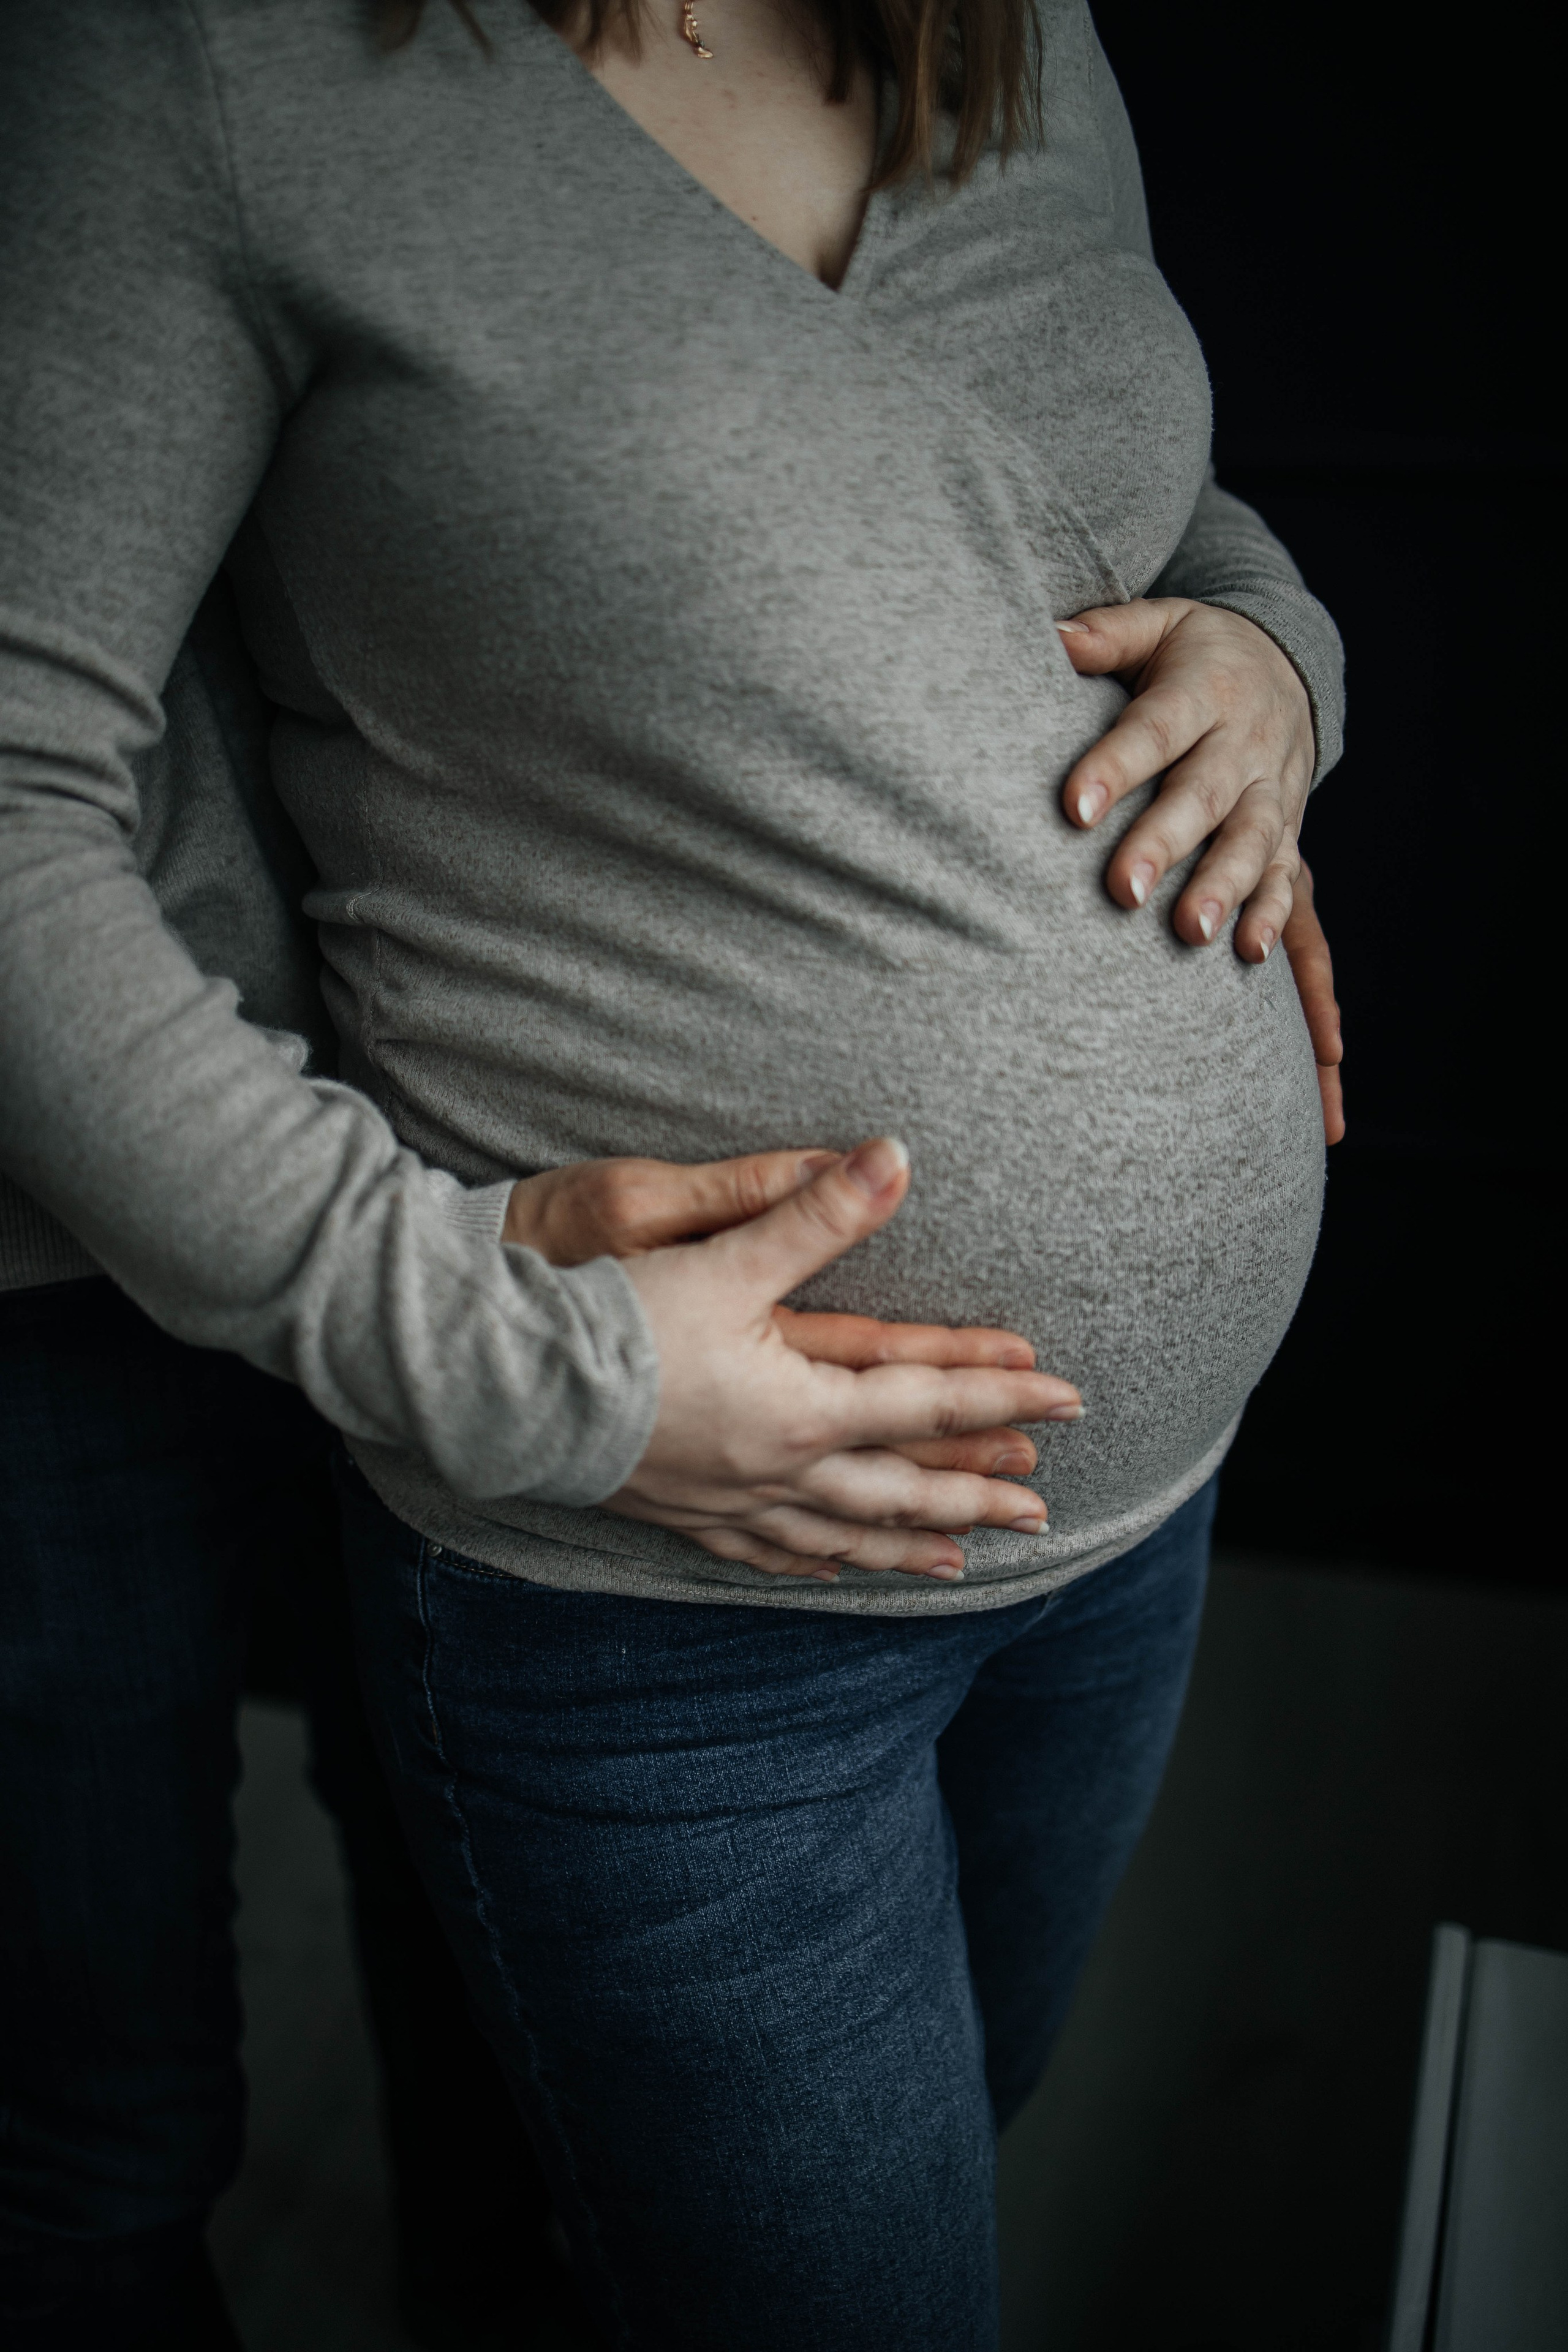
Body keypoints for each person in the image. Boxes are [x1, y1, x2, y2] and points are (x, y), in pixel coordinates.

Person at [0, 1, 1346, 2345]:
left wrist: (1276, 650)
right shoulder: (213, 70)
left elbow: (1123, 484)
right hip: (661, 1609)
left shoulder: (994, 18)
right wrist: (509, 1353)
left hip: (1125, 1540)